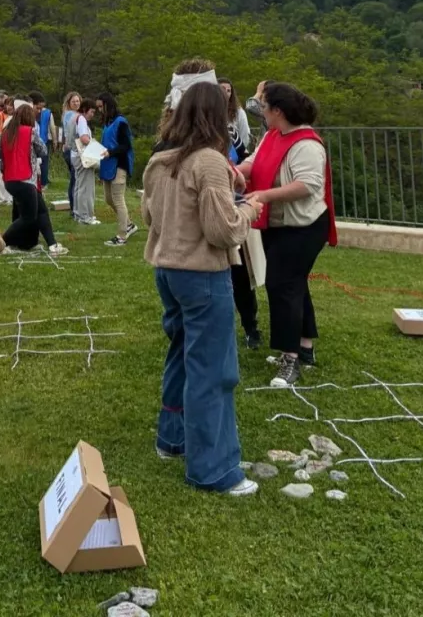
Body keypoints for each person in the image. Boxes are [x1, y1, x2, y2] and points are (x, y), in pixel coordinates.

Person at [142, 82, 264, 497]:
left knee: (180, 352)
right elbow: (222, 230)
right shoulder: (210, 161)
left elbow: (149, 216)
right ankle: (213, 469)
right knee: (213, 369)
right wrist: (249, 207)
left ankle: (172, 439)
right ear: (218, 117)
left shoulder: (160, 160)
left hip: (167, 271)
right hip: (202, 274)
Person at [239, 82, 337, 387]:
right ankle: (305, 347)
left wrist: (265, 196)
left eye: (265, 106)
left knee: (283, 286)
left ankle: (289, 358)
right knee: (295, 285)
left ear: (278, 111)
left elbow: (307, 185)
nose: (262, 112)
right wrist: (233, 171)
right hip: (281, 226)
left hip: (305, 227)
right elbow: (252, 164)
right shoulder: (272, 136)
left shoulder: (306, 144)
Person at [0, 104, 67, 256]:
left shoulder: (5, 133)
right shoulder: (31, 132)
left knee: (41, 211)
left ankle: (53, 245)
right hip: (26, 179)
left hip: (10, 180)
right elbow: (43, 150)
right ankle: (1, 242)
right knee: (28, 218)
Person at [96, 92, 137, 246]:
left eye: (101, 106)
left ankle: (122, 236)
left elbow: (126, 145)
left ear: (108, 105)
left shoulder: (121, 122)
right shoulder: (107, 123)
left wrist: (111, 152)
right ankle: (129, 225)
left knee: (118, 200)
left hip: (119, 165)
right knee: (108, 198)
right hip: (107, 165)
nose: (99, 109)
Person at [70, 99, 99, 225]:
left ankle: (78, 213)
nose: (93, 114)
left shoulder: (74, 118)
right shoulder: (81, 119)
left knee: (78, 186)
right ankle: (85, 216)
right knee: (85, 187)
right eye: (92, 111)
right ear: (85, 109)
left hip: (75, 155)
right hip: (83, 157)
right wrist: (97, 146)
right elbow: (84, 138)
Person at [29, 91, 57, 190]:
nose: (40, 110)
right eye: (38, 107)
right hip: (42, 140)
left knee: (41, 163)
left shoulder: (44, 112)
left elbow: (53, 128)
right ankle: (42, 183)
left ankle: (41, 182)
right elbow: (52, 128)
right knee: (43, 163)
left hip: (41, 140)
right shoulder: (48, 113)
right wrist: (55, 141)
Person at [61, 91, 81, 217]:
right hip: (72, 149)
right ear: (69, 103)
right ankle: (74, 209)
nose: (76, 103)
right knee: (74, 180)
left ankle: (74, 207)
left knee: (74, 179)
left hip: (68, 149)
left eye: (78, 101)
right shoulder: (71, 115)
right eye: (73, 101)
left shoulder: (67, 114)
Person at [218, 78, 251, 150]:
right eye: (222, 89)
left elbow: (245, 137)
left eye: (229, 91)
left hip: (233, 155)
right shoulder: (208, 111)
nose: (226, 92)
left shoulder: (239, 112)